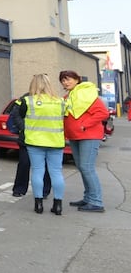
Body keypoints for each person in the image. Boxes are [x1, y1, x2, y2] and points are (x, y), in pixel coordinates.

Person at [13, 74, 66, 215]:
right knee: (56, 173)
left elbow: (18, 115)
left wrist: (24, 129)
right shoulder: (60, 101)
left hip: (34, 141)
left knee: (37, 171)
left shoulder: (27, 101)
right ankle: (58, 205)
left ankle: (38, 205)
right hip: (55, 141)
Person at [59, 70, 109, 212]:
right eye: (63, 80)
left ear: (77, 80)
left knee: (87, 167)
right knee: (82, 167)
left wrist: (83, 125)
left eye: (68, 79)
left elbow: (102, 113)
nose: (65, 82)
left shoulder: (86, 95)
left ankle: (96, 202)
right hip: (75, 136)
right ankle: (89, 198)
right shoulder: (68, 97)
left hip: (88, 136)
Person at [6, 94, 51, 198]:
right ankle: (19, 189)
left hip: (45, 138)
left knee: (45, 165)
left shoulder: (52, 99)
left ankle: (44, 191)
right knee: (24, 163)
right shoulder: (26, 98)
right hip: (27, 137)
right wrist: (24, 128)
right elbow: (16, 114)